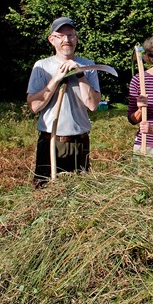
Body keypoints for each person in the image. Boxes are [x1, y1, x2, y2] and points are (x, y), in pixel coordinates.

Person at [27, 17, 101, 187]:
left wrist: (80, 74)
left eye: (70, 35)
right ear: (51, 40)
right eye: (60, 36)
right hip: (51, 141)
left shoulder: (88, 65)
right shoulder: (42, 66)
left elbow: (92, 104)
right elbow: (34, 106)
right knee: (45, 192)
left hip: (79, 142)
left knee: (80, 194)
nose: (66, 40)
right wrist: (56, 79)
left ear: (76, 38)